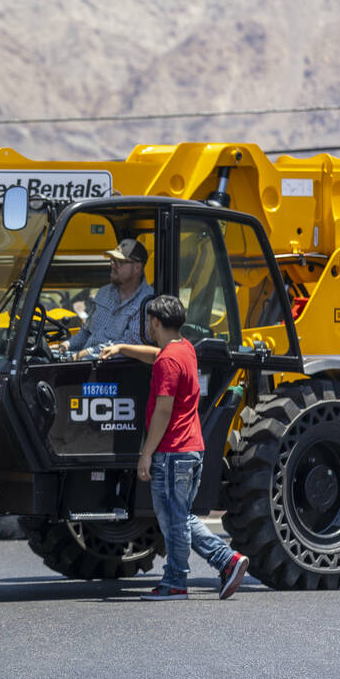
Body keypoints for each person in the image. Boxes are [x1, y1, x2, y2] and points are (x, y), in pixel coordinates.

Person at [99, 295, 250, 600]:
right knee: (179, 516)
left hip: (172, 452)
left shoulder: (169, 360)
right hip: (191, 449)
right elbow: (157, 355)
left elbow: (163, 411)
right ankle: (227, 560)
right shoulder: (184, 350)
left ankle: (176, 583)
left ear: (155, 321)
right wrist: (122, 348)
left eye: (148, 322)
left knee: (174, 520)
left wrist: (146, 454)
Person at [64, 237, 154, 360]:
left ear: (137, 267)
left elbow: (129, 344)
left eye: (119, 262)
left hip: (115, 367)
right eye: (112, 260)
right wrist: (65, 345)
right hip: (87, 360)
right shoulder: (103, 292)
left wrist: (84, 354)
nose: (113, 265)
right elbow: (86, 332)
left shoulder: (147, 301)